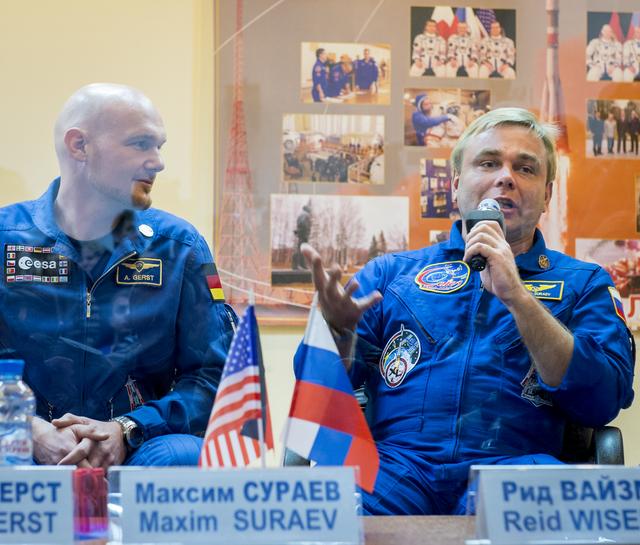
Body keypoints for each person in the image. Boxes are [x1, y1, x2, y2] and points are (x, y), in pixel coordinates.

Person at [298, 107, 635, 515]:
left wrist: (518, 297)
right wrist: (335, 334)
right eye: (489, 163)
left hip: (516, 469)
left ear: (547, 195)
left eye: (525, 168)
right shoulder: (391, 275)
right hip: (396, 468)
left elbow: (602, 400)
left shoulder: (584, 283)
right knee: (327, 518)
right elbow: (315, 390)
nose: (506, 177)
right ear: (456, 185)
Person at [0, 83, 236, 469]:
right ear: (79, 146)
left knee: (183, 457)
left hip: (139, 453)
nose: (158, 162)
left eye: (159, 146)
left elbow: (216, 376)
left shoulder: (180, 247)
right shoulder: (5, 239)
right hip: (18, 449)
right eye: (141, 144)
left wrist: (127, 430)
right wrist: (27, 429)